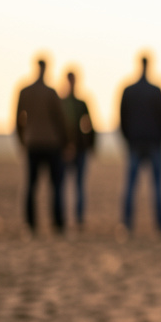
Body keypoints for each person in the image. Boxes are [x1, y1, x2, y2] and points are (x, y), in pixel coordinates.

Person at [119, 55, 161, 234]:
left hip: (136, 143)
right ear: (148, 65)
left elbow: (121, 118)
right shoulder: (155, 91)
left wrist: (128, 139)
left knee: (131, 186)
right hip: (153, 143)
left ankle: (126, 224)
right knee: (157, 187)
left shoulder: (129, 90)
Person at [14, 58, 70, 234]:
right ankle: (58, 223)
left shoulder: (25, 91)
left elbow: (18, 120)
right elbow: (60, 120)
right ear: (45, 69)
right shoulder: (51, 93)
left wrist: (23, 140)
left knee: (31, 185)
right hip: (52, 144)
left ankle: (31, 223)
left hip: (33, 143)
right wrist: (65, 142)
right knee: (56, 185)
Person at [61, 70, 97, 226]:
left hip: (80, 149)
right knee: (62, 185)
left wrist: (90, 145)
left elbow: (89, 125)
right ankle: (62, 218)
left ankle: (79, 218)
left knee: (79, 185)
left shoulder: (80, 103)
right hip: (64, 150)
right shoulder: (62, 102)